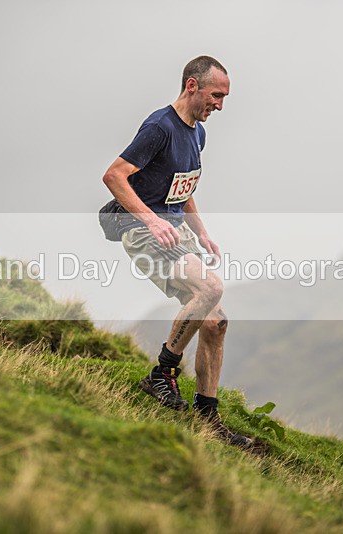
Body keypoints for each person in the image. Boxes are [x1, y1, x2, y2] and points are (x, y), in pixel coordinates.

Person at [102, 56, 253, 448]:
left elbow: (182, 189)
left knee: (216, 323)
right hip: (143, 230)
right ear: (192, 86)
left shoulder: (197, 133)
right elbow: (114, 176)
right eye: (216, 95)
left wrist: (202, 233)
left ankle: (208, 418)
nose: (220, 104)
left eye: (224, 98)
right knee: (210, 289)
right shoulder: (159, 127)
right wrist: (152, 220)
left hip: (176, 233)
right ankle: (161, 375)